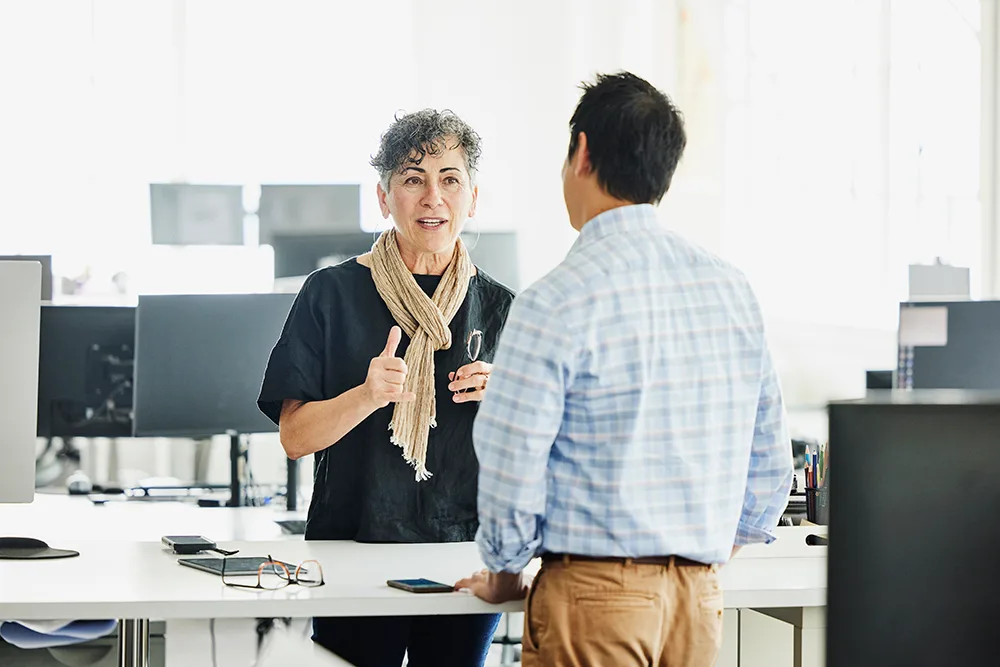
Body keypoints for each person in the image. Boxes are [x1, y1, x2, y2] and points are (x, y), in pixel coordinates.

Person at [455, 71, 794, 666]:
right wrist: (692, 563)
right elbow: (769, 469)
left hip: (593, 597)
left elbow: (512, 457)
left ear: (581, 152)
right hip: (699, 601)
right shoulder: (731, 289)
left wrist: (505, 572)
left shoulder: (556, 298)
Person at [258, 108, 515, 667]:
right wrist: (367, 395)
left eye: (450, 179)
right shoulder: (329, 293)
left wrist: (508, 401)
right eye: (412, 179)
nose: (432, 198)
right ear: (384, 197)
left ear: (472, 198)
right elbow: (295, 439)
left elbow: (530, 451)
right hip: (353, 547)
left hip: (461, 552)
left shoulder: (500, 307)